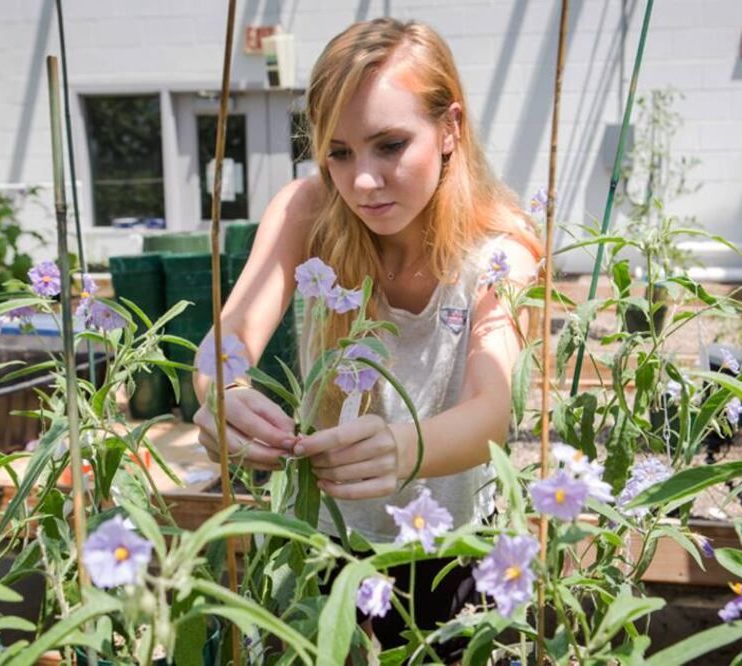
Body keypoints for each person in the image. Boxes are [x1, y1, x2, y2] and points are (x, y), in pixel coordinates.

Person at [193, 17, 542, 659]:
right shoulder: (309, 211)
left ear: (449, 130)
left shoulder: (500, 250)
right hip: (322, 548)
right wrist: (225, 390)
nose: (361, 182)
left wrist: (400, 449)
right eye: (340, 151)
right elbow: (230, 338)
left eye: (389, 145)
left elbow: (492, 407)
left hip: (452, 558)